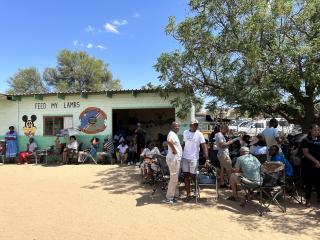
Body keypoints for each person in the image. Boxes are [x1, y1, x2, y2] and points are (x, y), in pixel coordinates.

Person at [182, 120, 209, 201]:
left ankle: (197, 189)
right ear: (190, 125)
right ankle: (188, 194)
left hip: (194, 158)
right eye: (194, 124)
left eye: (196, 125)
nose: (195, 126)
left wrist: (207, 158)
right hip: (185, 157)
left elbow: (204, 146)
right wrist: (181, 154)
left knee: (193, 175)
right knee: (186, 176)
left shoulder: (199, 134)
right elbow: (184, 144)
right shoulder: (185, 132)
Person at [301, 124, 320, 207]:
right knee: (308, 184)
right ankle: (308, 200)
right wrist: (316, 161)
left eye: (318, 130)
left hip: (319, 165)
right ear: (310, 130)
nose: (317, 131)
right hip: (309, 165)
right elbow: (306, 153)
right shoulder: (305, 140)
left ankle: (319, 198)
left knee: (319, 183)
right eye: (315, 130)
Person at [165, 122, 182, 204]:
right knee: (173, 179)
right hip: (173, 159)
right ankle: (169, 198)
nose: (178, 128)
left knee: (174, 178)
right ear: (172, 127)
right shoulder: (171, 134)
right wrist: (174, 150)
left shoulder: (173, 134)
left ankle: (174, 195)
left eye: (178, 126)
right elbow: (169, 141)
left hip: (174, 159)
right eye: (176, 126)